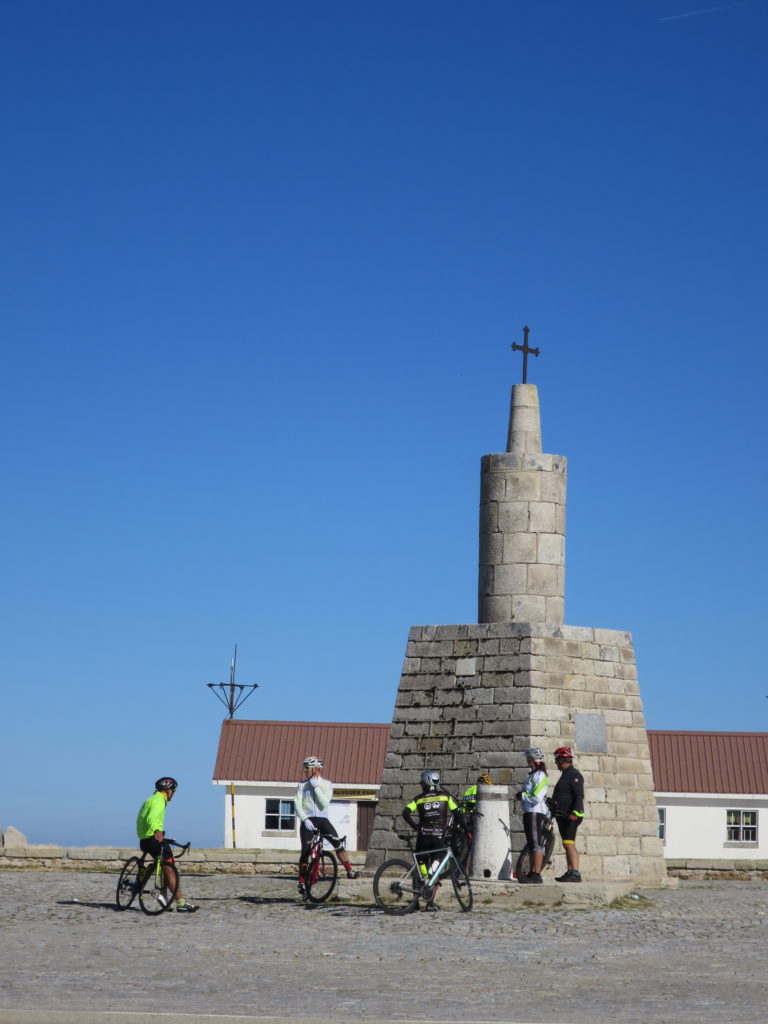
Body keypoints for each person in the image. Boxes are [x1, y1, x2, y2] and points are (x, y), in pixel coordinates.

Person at [294, 756, 359, 897]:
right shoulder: (301, 786)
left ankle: (349, 870)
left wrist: (316, 787)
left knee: (337, 843)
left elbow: (324, 804)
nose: (304, 770)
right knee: (305, 851)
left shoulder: (327, 784)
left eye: (307, 768)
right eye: (304, 767)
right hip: (308, 820)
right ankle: (301, 881)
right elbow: (297, 805)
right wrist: (304, 819)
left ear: (316, 769)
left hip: (323, 819)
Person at [402, 769, 463, 911]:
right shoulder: (445, 797)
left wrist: (415, 826)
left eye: (421, 782)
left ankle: (415, 902)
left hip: (423, 837)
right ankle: (430, 904)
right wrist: (465, 830)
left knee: (419, 870)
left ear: (426, 782)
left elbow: (405, 813)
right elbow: (457, 813)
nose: (420, 784)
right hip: (438, 838)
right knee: (435, 871)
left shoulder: (418, 799)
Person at [136, 776, 197, 912]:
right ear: (168, 790)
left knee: (163, 864)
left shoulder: (152, 799)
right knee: (170, 867)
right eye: (173, 791)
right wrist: (157, 830)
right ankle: (180, 903)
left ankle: (159, 891)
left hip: (144, 839)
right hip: (152, 838)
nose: (174, 794)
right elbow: (152, 817)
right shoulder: (159, 801)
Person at [514, 747, 549, 884]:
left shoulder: (540, 776)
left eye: (528, 760)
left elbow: (536, 797)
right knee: (532, 843)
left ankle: (537, 874)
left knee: (536, 844)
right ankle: (532, 872)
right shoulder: (532, 775)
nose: (527, 762)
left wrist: (521, 795)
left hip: (535, 811)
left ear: (533, 760)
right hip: (529, 812)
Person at [550, 747, 585, 882]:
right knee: (566, 844)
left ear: (563, 760)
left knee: (569, 844)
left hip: (572, 815)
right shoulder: (565, 774)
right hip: (562, 815)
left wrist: (576, 812)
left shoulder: (574, 774)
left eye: (557, 760)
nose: (556, 763)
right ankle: (570, 871)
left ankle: (575, 873)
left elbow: (579, 795)